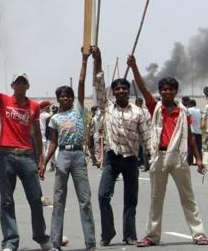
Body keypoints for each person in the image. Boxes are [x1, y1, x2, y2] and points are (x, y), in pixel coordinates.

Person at [0, 48, 51, 251]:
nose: (20, 85)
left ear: (27, 86)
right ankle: (10, 241)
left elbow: (36, 133)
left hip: (27, 155)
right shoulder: (4, 100)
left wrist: (41, 159)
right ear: (13, 86)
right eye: (17, 82)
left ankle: (42, 237)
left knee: (35, 198)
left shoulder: (34, 106)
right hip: (6, 154)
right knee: (7, 201)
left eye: (23, 82)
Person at [129, 56, 208, 247]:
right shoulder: (154, 107)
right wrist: (134, 67)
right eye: (163, 89)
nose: (166, 92)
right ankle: (152, 236)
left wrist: (198, 159)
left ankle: (198, 234)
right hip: (159, 156)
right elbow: (143, 88)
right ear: (161, 91)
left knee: (188, 197)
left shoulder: (183, 112)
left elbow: (189, 137)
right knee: (156, 198)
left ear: (175, 91)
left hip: (179, 157)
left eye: (170, 89)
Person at [39, 47, 96, 251]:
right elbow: (53, 142)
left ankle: (90, 243)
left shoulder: (79, 111)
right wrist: (44, 163)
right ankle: (55, 243)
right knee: (58, 200)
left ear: (72, 98)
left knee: (85, 201)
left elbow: (81, 83)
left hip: (78, 155)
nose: (64, 99)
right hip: (62, 155)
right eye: (61, 96)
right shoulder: (55, 119)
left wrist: (84, 60)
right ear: (58, 99)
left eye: (67, 96)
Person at [92, 46, 149, 246]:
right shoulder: (107, 107)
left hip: (131, 158)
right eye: (117, 88)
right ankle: (107, 233)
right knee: (102, 195)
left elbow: (146, 136)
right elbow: (99, 84)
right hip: (112, 157)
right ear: (114, 92)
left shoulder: (138, 112)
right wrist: (97, 60)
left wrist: (152, 155)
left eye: (124, 88)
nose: (121, 91)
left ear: (128, 91)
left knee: (130, 199)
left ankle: (130, 234)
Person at [187, 100, 203, 165]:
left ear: (190, 104)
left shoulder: (189, 110)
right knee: (199, 147)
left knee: (191, 147)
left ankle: (189, 161)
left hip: (192, 131)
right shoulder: (198, 110)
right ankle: (199, 161)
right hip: (199, 131)